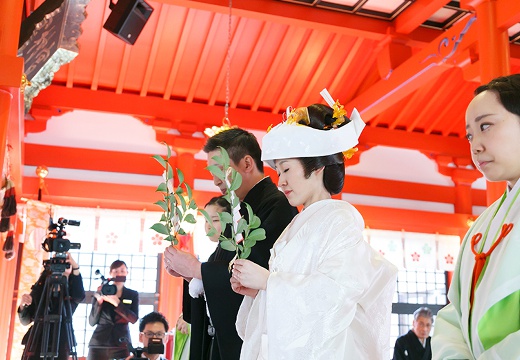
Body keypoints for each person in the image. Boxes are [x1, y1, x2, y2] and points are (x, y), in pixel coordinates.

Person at [230, 99, 398, 359]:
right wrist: (261, 291)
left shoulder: (341, 219)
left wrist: (268, 282)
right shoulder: (297, 224)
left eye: (286, 169)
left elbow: (336, 294)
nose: (281, 181)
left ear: (317, 166)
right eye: (277, 172)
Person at [163, 127, 298, 359]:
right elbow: (221, 265)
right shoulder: (237, 211)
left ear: (247, 163)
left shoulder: (277, 206)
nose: (215, 180)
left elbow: (256, 273)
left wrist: (198, 269)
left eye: (220, 170)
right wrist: (192, 276)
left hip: (252, 341)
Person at [432, 74, 520, 359]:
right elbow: (454, 313)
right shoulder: (482, 225)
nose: (475, 145)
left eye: (486, 126)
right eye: (470, 134)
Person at [19, 253, 85, 360]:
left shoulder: (72, 293)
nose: (62, 269)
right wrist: (22, 306)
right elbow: (25, 320)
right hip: (37, 338)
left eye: (66, 266)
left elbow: (80, 295)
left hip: (61, 338)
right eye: (58, 264)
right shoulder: (40, 290)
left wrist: (76, 267)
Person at [87, 259, 139, 360]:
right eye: (115, 271)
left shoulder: (132, 294)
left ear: (127, 273)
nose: (119, 274)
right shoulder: (101, 292)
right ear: (110, 274)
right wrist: (99, 303)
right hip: (98, 344)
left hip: (121, 344)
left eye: (122, 271)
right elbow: (92, 322)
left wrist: (117, 303)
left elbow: (133, 319)